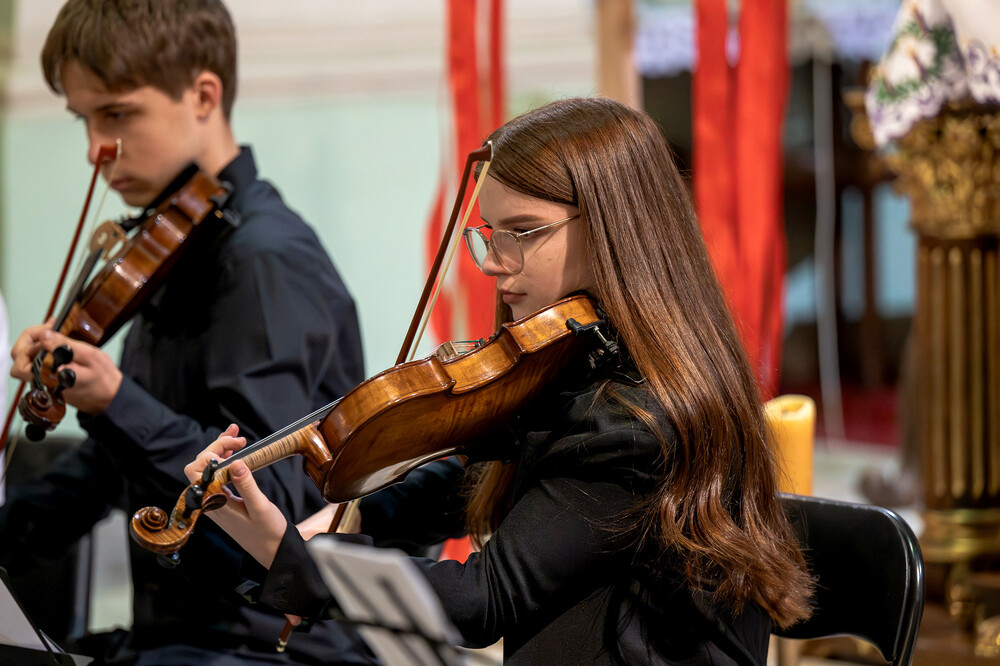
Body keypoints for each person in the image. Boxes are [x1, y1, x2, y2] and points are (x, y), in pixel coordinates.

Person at [185, 97, 815, 665]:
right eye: (489, 233)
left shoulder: (636, 419)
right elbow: (478, 472)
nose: (491, 262)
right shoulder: (581, 356)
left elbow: (485, 599)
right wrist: (348, 520)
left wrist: (298, 564)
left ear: (612, 226)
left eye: (522, 232)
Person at [2, 1, 368, 663]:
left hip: (265, 644)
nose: (95, 149)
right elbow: (113, 468)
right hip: (179, 637)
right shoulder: (174, 248)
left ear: (203, 96)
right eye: (85, 120)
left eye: (117, 115)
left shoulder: (264, 261)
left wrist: (117, 401)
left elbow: (271, 505)